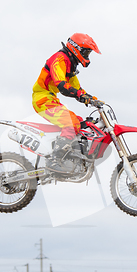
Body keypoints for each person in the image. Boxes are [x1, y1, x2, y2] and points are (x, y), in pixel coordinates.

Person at [32, 33, 101, 173]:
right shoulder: (59, 59)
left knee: (81, 122)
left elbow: (78, 89)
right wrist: (82, 95)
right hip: (42, 99)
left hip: (51, 99)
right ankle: (54, 161)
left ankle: (70, 158)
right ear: (76, 48)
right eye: (86, 52)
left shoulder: (71, 64)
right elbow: (62, 85)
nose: (88, 55)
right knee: (71, 123)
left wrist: (93, 99)